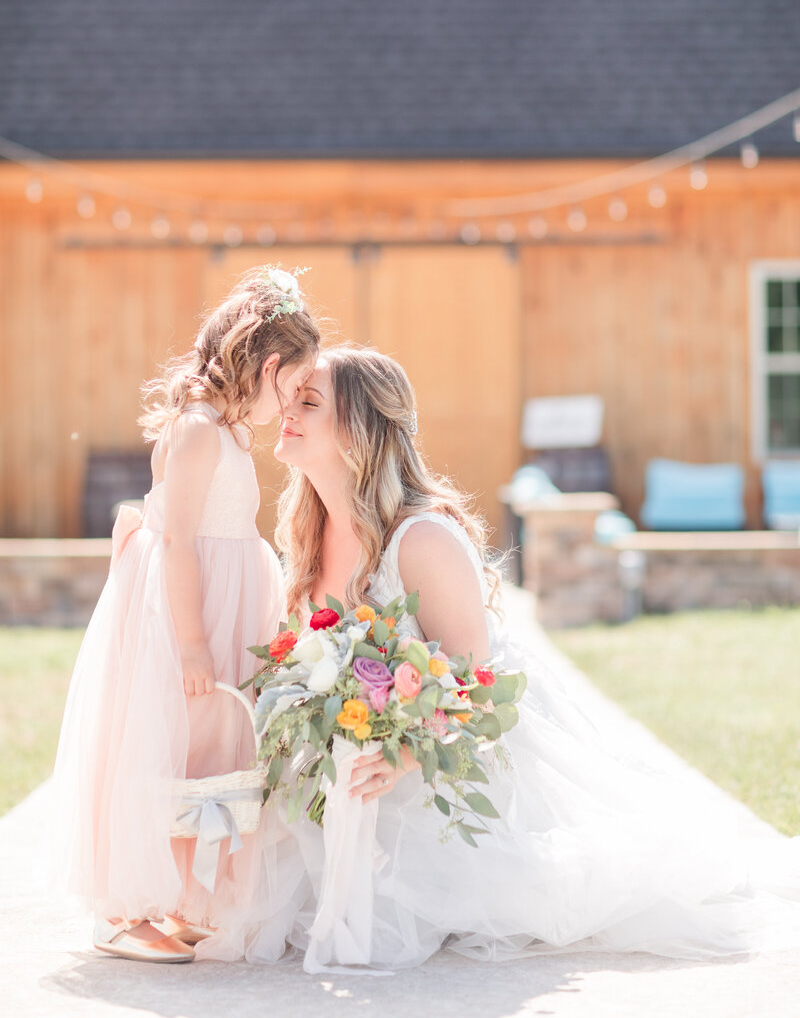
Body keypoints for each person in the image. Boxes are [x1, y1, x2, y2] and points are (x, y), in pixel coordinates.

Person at [227, 344, 800, 972]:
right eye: (290, 398)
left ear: (361, 430)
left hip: (451, 760)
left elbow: (477, 681)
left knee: (542, 898)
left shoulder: (421, 540)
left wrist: (406, 754)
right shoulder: (310, 532)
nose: (287, 411)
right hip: (359, 765)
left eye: (309, 401)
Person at [50, 266, 319, 963]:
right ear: (266, 366)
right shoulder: (199, 429)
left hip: (224, 597)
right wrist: (193, 641)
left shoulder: (227, 432)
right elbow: (176, 540)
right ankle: (130, 906)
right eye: (291, 387)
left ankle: (180, 898)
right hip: (187, 607)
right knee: (163, 743)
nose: (289, 405)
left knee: (205, 755)